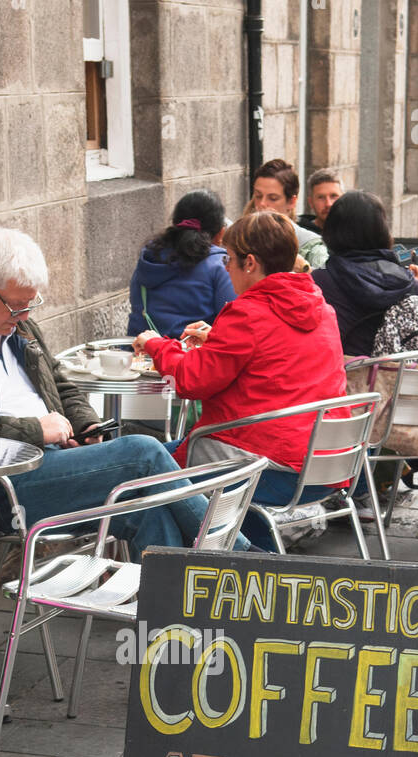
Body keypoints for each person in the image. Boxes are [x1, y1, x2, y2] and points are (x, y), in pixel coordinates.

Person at [0, 228, 222, 559]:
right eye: (15, 306)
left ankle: (176, 608)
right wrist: (36, 430)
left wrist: (86, 425)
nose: (24, 315)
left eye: (30, 304)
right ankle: (236, 552)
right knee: (143, 452)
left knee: (149, 507)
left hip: (52, 462)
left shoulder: (16, 325)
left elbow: (60, 382)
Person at [132, 210, 349, 546]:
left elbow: (192, 380)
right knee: (156, 462)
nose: (225, 267)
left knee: (144, 469)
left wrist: (155, 344)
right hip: (327, 464)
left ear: (249, 263)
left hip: (270, 468)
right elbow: (275, 358)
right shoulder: (322, 309)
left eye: (228, 259)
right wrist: (218, 338)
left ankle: (188, 569)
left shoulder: (248, 314)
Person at [312, 191, 418, 356]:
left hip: (341, 376)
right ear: (382, 230)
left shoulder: (318, 282)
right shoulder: (405, 281)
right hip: (393, 377)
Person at [126, 190, 235, 339]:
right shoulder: (221, 265)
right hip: (189, 357)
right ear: (221, 233)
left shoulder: (150, 258)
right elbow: (232, 326)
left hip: (140, 353)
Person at [251, 158, 327, 269]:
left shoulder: (312, 248)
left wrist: (304, 269)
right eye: (258, 196)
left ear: (292, 202)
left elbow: (327, 284)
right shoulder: (242, 238)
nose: (262, 204)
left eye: (273, 198)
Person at [298, 168, 344, 234]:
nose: (328, 204)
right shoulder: (299, 235)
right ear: (311, 202)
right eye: (321, 197)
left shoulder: (356, 233)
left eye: (333, 196)